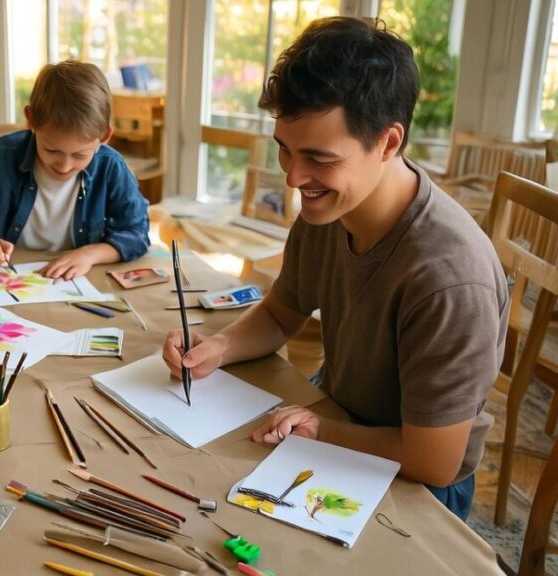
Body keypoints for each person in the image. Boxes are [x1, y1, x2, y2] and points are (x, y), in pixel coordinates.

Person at [162, 17, 508, 521]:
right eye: (284, 149)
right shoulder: (330, 206)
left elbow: (434, 461)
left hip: (414, 481)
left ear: (389, 144)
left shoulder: (450, 280)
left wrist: (321, 431)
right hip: (332, 414)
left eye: (318, 159)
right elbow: (283, 313)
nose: (294, 178)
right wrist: (219, 346)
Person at [0, 60, 150, 280]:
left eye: (80, 155)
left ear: (105, 137)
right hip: (10, 280)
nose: (65, 166)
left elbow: (135, 233)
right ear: (30, 120)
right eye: (51, 150)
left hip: (78, 283)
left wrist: (90, 255)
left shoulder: (111, 167)